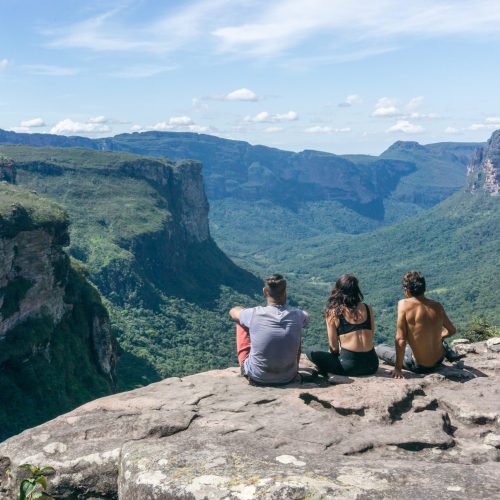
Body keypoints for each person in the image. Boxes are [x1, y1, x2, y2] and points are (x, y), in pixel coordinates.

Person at [229, 273, 309, 385]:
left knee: (241, 321)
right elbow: (306, 316)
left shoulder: (253, 314)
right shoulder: (298, 315)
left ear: (264, 291)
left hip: (256, 376)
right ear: (285, 291)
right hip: (289, 377)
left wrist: (242, 310)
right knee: (296, 327)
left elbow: (232, 312)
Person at [375, 271, 458, 378]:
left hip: (420, 366)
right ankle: (449, 352)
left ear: (407, 290)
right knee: (436, 338)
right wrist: (440, 336)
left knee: (380, 348)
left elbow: (400, 339)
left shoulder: (404, 304)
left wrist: (398, 369)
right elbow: (452, 331)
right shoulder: (437, 306)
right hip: (439, 359)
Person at [304, 274, 379, 377]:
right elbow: (371, 334)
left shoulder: (333, 312)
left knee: (310, 350)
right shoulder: (367, 308)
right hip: (372, 365)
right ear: (357, 290)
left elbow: (334, 348)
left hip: (349, 367)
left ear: (338, 290)